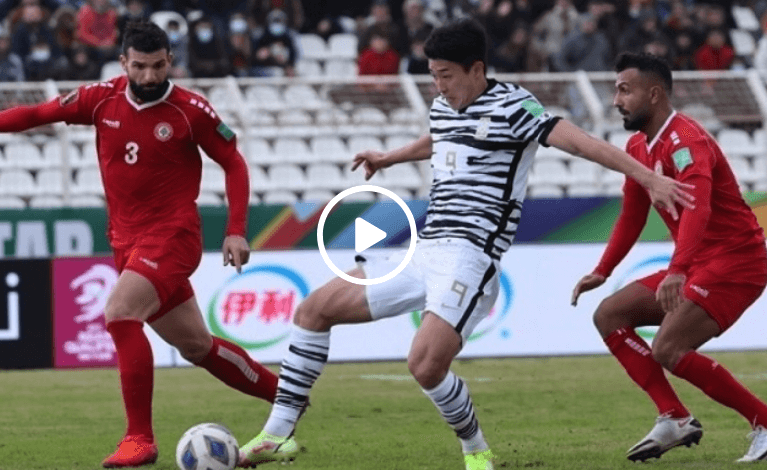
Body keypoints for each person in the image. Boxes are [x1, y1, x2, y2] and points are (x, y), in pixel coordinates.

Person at [237, 20, 694, 470]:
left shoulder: (515, 107)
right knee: (312, 311)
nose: (438, 86)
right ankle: (278, 435)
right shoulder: (444, 106)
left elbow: (580, 143)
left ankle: (476, 451)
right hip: (425, 248)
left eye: (446, 75)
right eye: (433, 76)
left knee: (424, 365)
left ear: (477, 69)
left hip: (471, 258)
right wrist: (389, 157)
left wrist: (648, 177)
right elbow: (441, 138)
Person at [0, 21, 279, 469]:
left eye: (158, 66)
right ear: (123, 64)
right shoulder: (101, 99)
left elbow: (233, 163)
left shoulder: (190, 111)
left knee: (119, 313)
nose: (149, 76)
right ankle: (287, 398)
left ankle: (139, 439)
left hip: (173, 236)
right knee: (196, 347)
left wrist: (235, 228)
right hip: (126, 242)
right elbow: (39, 113)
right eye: (140, 67)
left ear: (170, 61)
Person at [572, 52, 767, 463]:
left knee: (668, 348)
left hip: (737, 262)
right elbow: (632, 215)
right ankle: (674, 416)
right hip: (699, 263)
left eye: (624, 90)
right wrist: (603, 270)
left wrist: (677, 270)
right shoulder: (637, 146)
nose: (616, 100)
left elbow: (699, 208)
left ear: (654, 94)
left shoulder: (688, 141)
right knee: (609, 314)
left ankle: (763, 420)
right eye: (616, 91)